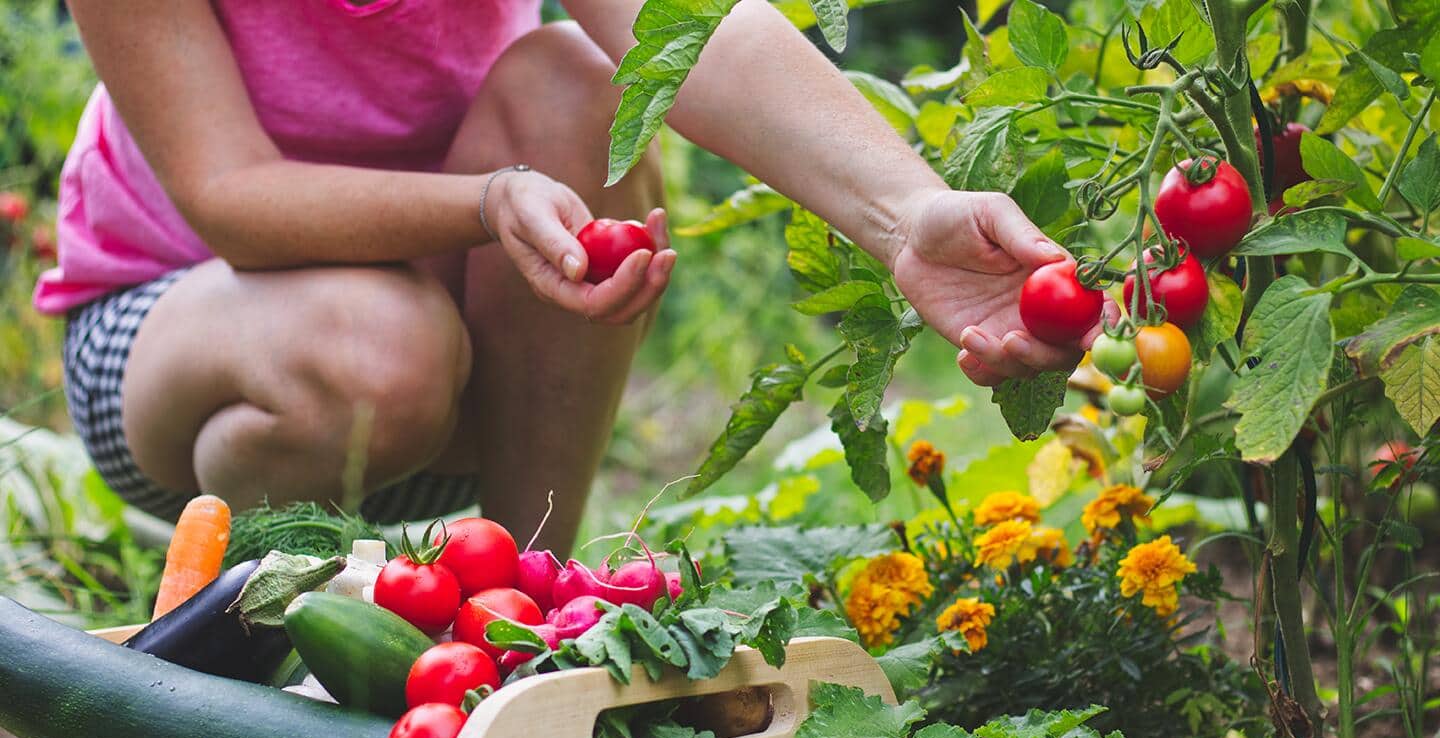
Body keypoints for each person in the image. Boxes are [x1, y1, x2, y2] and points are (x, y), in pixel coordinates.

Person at [43, 0, 1080, 557]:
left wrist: (905, 217)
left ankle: (526, 591)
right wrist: (494, 201)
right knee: (374, 350)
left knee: (586, 83)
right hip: (186, 343)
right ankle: (246, 616)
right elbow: (232, 199)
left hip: (464, 358)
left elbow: (692, 31)